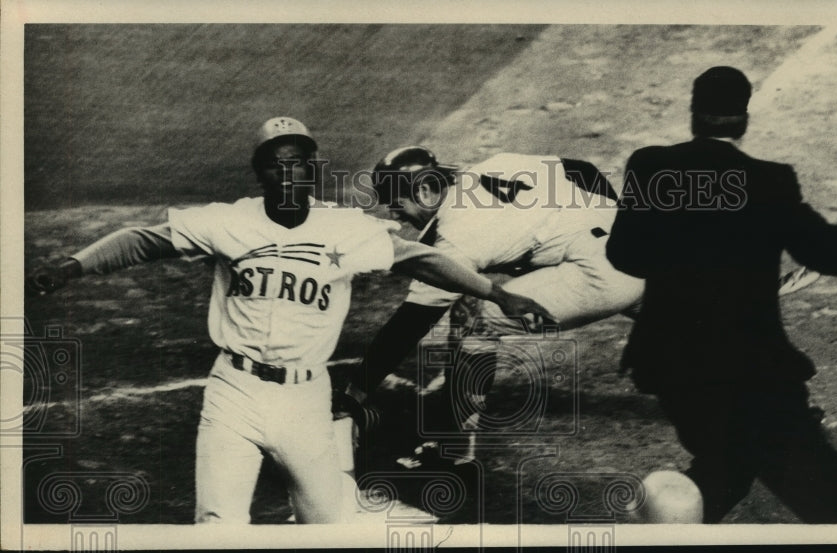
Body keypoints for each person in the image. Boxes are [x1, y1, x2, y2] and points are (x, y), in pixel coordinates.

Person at [25, 117, 552, 524]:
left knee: (327, 521)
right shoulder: (229, 220)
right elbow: (144, 239)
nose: (289, 173)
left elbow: (419, 258)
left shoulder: (345, 228)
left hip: (305, 398)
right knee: (218, 522)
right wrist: (72, 267)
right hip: (233, 392)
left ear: (313, 168)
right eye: (276, 164)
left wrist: (497, 293)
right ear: (260, 172)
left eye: (299, 162)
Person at [606, 66, 837, 523]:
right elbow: (828, 250)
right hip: (750, 372)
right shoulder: (769, 181)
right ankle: (663, 516)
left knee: (730, 463)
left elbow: (626, 256)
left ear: (694, 113)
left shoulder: (650, 166)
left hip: (667, 364)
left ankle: (669, 511)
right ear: (744, 118)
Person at [354, 147, 645, 464]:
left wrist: (356, 391)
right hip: (636, 244)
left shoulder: (456, 237)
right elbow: (582, 169)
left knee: (474, 319)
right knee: (683, 326)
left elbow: (409, 324)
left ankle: (454, 447)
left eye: (396, 204)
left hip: (600, 274)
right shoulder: (499, 165)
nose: (394, 214)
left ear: (424, 190)